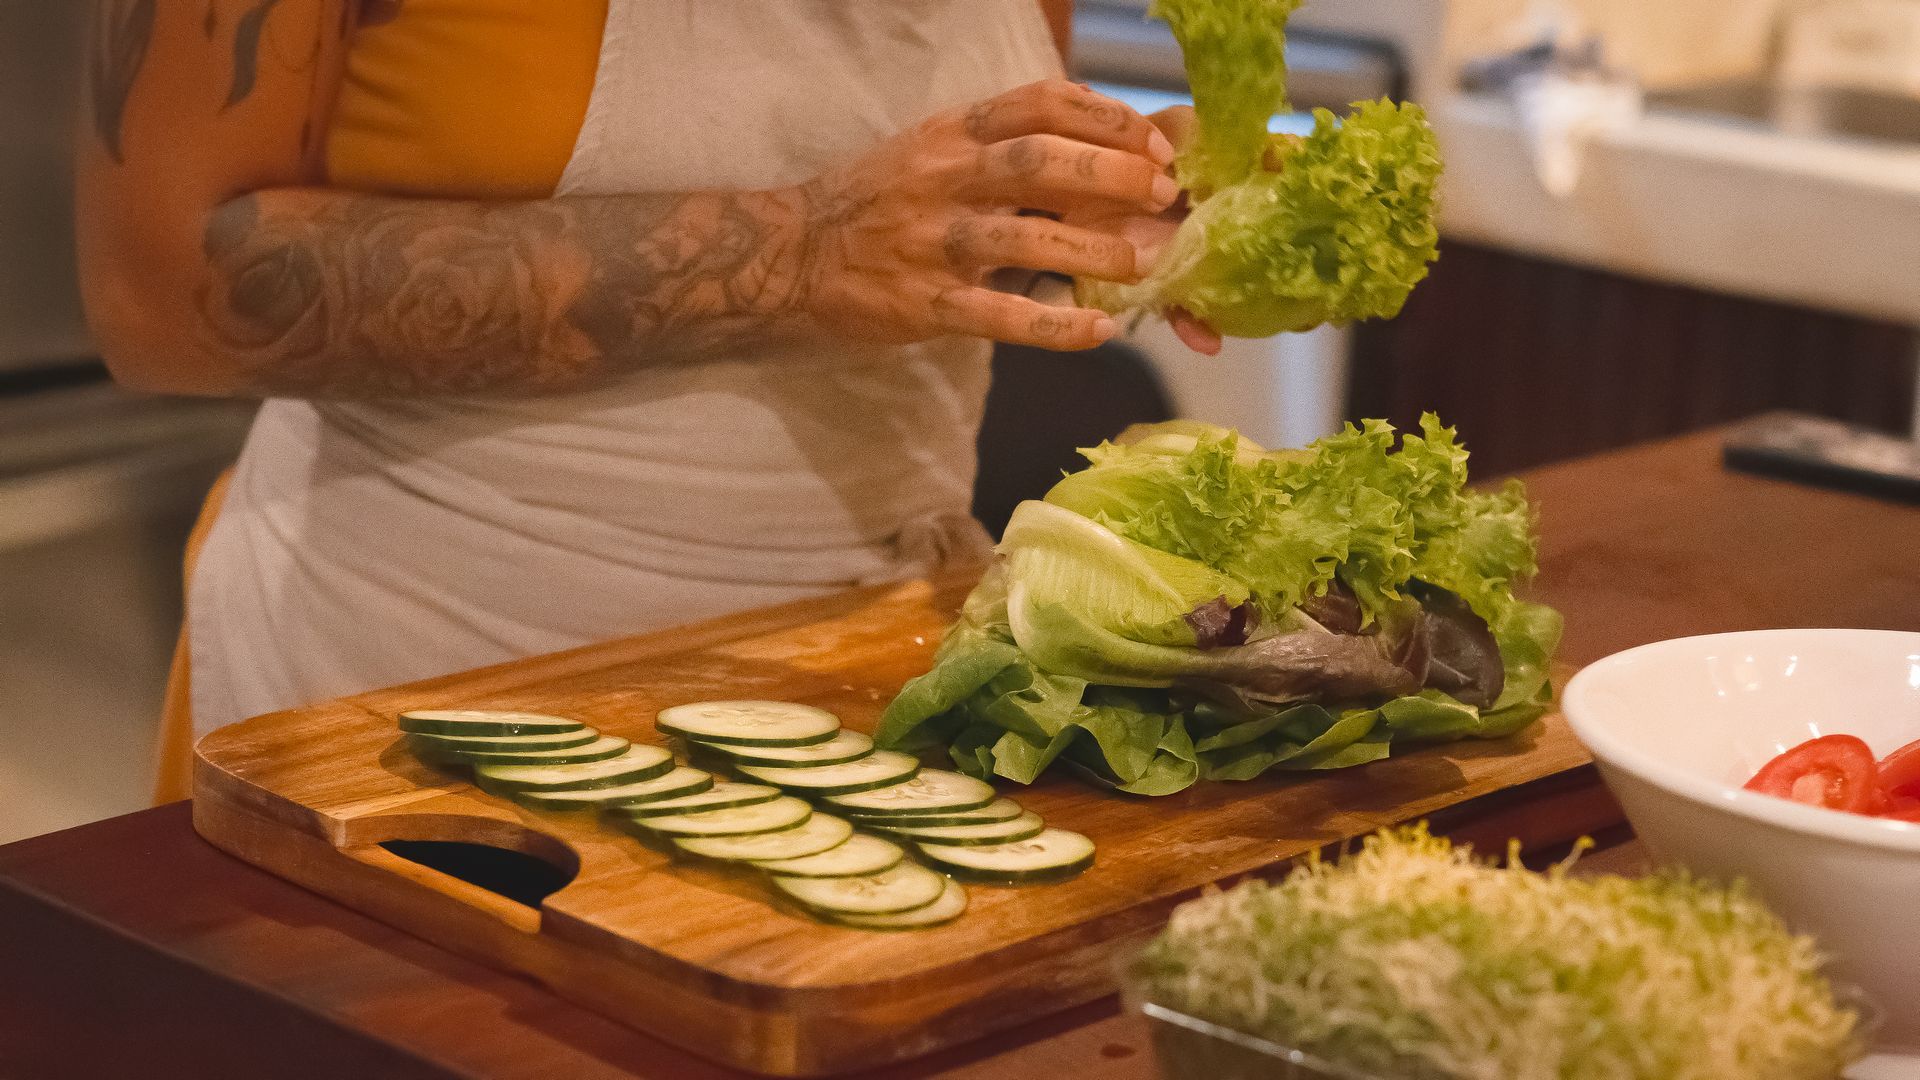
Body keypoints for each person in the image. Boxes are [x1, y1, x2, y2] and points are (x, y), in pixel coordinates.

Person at [77, 0, 1207, 795]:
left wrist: (1087, 211)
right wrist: (796, 253)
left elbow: (932, 216)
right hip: (411, 706)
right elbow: (160, 290)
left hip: (878, 686)